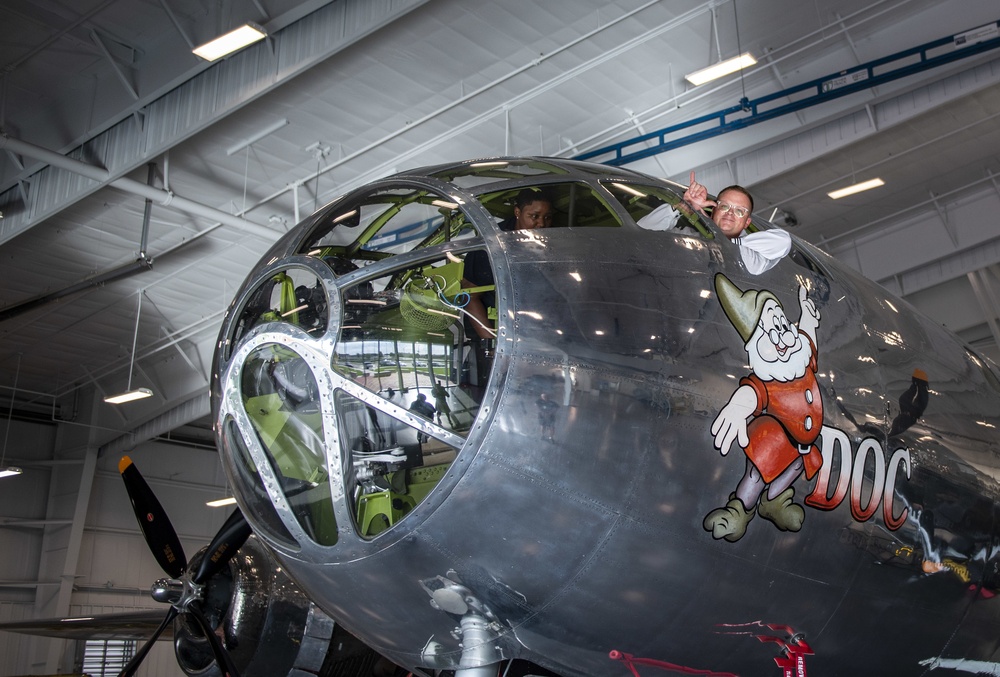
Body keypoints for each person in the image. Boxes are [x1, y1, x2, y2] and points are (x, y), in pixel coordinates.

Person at [638, 172, 791, 275]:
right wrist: (684, 206)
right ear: (714, 211)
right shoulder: (686, 235)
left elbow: (783, 241)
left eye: (740, 211)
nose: (730, 213)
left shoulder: (755, 255)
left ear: (747, 222)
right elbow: (641, 232)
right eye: (724, 206)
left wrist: (728, 242)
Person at [462, 188, 555, 339]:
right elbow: (470, 297)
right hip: (493, 332)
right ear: (517, 212)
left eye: (548, 217)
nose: (541, 223)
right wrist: (491, 345)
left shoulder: (548, 245)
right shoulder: (491, 246)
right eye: (534, 216)